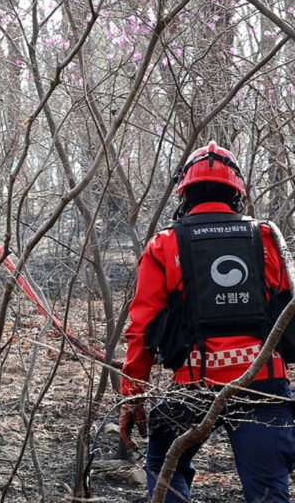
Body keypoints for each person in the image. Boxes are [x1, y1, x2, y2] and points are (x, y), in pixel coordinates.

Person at [119, 141, 295, 502]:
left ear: (184, 193)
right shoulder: (267, 237)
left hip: (194, 385)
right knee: (268, 492)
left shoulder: (164, 245)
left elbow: (142, 329)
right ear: (237, 193)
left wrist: (132, 396)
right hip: (264, 385)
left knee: (163, 467)